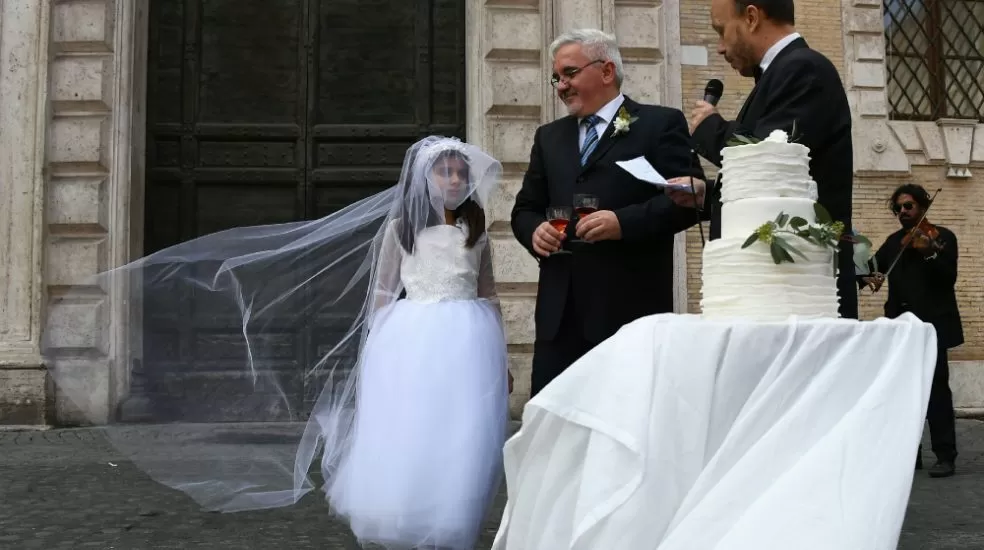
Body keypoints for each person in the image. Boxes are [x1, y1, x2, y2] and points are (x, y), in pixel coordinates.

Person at [46, 137, 511, 549]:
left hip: (468, 342)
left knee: (461, 430)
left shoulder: (476, 231)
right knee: (415, 428)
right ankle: (415, 511)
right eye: (444, 171)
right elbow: (385, 292)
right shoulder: (401, 230)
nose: (453, 180)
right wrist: (380, 345)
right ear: (424, 178)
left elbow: (488, 292)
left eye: (460, 173)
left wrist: (502, 354)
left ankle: (453, 514)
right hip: (415, 338)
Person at [511, 28, 704, 397]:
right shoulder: (548, 137)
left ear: (606, 70)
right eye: (556, 77)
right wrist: (534, 230)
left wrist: (622, 223)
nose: (561, 86)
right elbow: (525, 209)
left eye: (569, 73)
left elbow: (688, 202)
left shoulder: (659, 124)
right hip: (559, 318)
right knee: (553, 421)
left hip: (628, 311)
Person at [673, 0, 858, 320]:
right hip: (769, 291)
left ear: (751, 17)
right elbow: (780, 188)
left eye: (721, 30)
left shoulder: (804, 69)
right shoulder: (783, 72)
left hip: (796, 292)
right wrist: (708, 195)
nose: (720, 47)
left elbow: (771, 159)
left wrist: (710, 129)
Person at [861, 183, 962, 478]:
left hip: (932, 326)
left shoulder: (942, 237)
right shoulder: (895, 242)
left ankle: (945, 456)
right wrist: (866, 275)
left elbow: (948, 277)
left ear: (923, 206)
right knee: (904, 391)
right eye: (898, 208)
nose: (903, 211)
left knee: (937, 391)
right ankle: (909, 455)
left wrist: (929, 252)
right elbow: (871, 269)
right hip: (901, 326)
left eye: (908, 206)